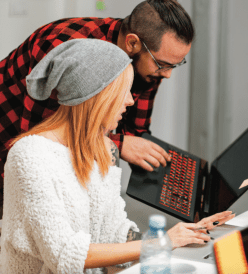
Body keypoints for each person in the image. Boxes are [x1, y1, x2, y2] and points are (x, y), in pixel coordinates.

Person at [1, 40, 235, 273]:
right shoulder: (30, 155)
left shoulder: (103, 148)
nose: (130, 101)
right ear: (97, 96)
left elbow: (113, 232)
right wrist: (161, 243)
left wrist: (178, 236)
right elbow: (65, 255)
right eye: (123, 92)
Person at [0, 0, 194, 211]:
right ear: (133, 43)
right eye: (163, 65)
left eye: (175, 65)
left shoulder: (150, 67)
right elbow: (43, 137)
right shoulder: (67, 48)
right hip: (10, 130)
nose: (167, 74)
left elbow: (136, 131)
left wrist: (177, 180)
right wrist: (119, 144)